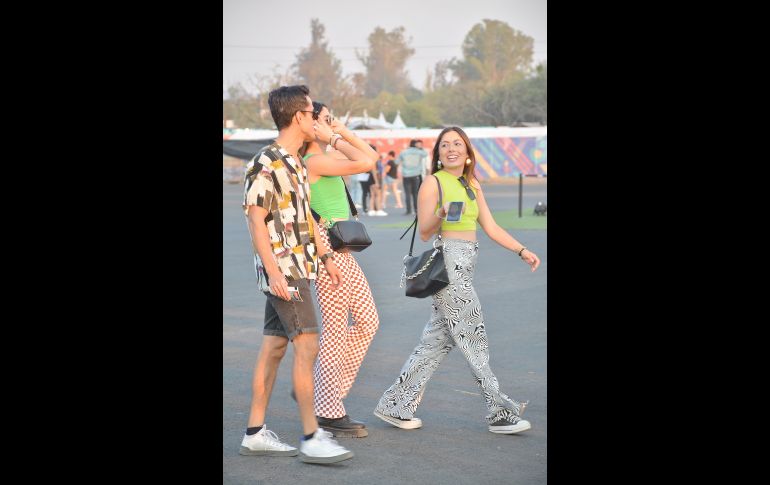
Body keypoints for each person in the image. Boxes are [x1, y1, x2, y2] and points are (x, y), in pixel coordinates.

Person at [373, 126, 541, 435]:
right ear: (437, 154)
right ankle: (498, 411)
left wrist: (522, 249)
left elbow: (490, 226)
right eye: (445, 145)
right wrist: (440, 213)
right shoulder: (433, 183)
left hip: (467, 263)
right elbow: (424, 231)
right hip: (448, 267)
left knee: (435, 342)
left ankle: (395, 405)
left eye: (457, 144)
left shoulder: (472, 183)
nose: (451, 149)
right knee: (474, 338)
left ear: (467, 153)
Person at [240, 85, 353, 463]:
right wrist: (274, 273)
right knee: (308, 345)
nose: (316, 117)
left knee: (274, 348)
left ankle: (254, 432)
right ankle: (311, 435)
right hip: (284, 273)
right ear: (298, 118)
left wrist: (327, 259)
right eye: (310, 111)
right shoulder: (265, 162)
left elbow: (305, 217)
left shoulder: (295, 163)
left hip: (301, 267)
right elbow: (256, 219)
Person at [299, 101, 382, 438]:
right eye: (325, 118)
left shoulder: (325, 158)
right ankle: (326, 406)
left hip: (343, 251)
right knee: (336, 329)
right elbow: (368, 160)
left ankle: (326, 392)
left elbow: (370, 155)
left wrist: (338, 131)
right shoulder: (314, 161)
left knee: (368, 321)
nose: (330, 123)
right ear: (310, 124)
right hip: (327, 250)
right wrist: (333, 137)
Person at [397, 139, 429, 215]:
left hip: (406, 175)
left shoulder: (403, 152)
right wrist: (420, 148)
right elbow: (426, 154)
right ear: (415, 145)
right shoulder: (419, 152)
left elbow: (397, 162)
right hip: (416, 175)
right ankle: (416, 210)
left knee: (407, 193)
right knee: (415, 193)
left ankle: (408, 210)